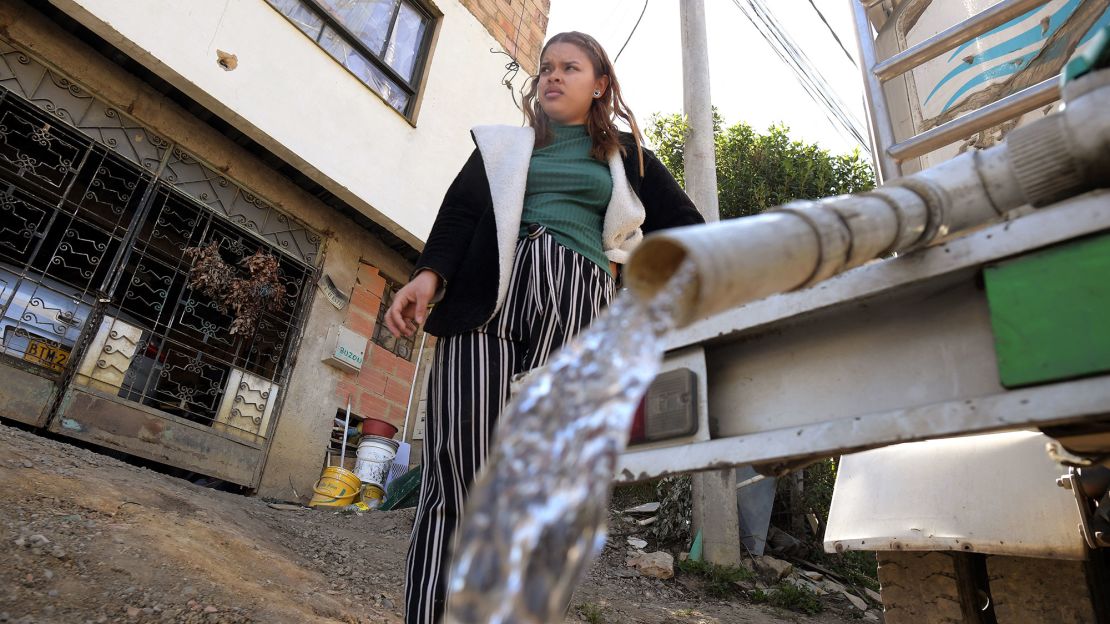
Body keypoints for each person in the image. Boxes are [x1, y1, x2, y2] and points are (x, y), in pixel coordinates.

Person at [384, 31, 704, 624]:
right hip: (489, 296)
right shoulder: (504, 146)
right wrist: (427, 276)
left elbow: (688, 228)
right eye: (546, 68)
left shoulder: (629, 158)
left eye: (569, 67)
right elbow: (458, 214)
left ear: (599, 83)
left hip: (577, 308)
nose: (552, 76)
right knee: (459, 471)